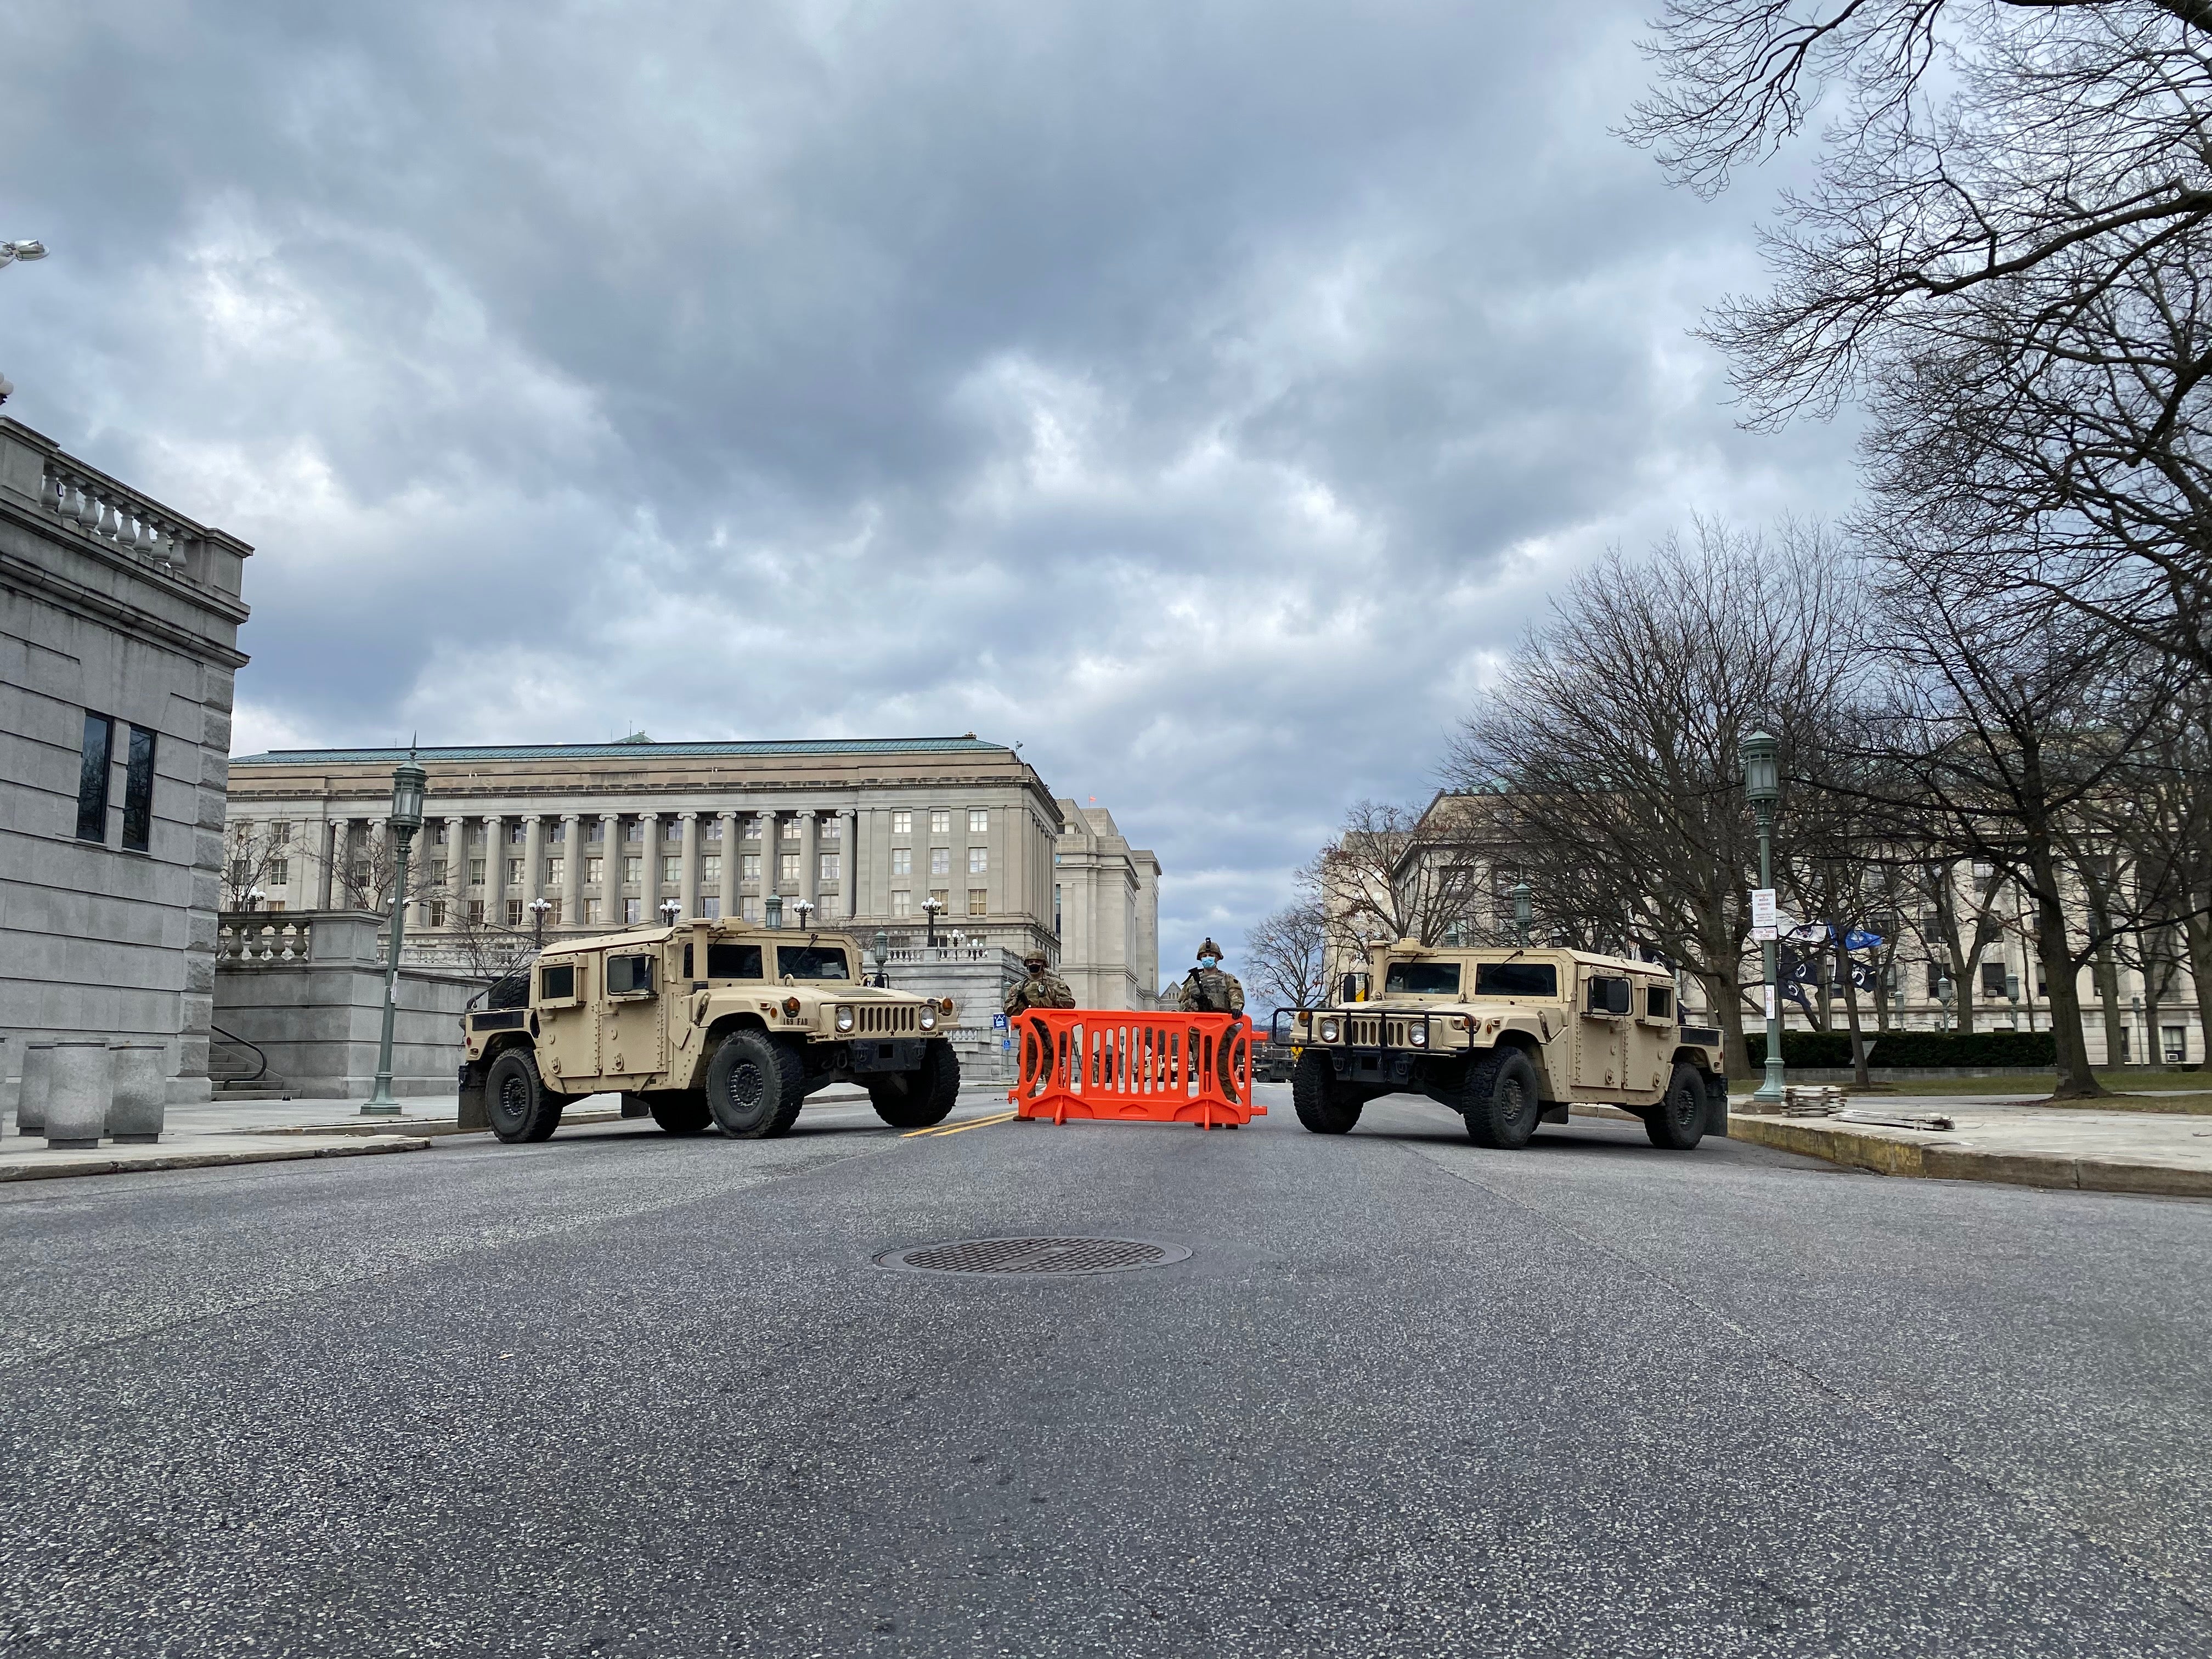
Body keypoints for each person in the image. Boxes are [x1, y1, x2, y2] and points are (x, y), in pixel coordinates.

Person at [1176, 939, 1245, 1015]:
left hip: (1223, 1021)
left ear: (1217, 958)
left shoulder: (1228, 979)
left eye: (1211, 956)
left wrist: (1236, 1008)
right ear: (1201, 959)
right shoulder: (1191, 983)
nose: (1207, 958)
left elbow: (1237, 998)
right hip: (1196, 1022)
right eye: (1204, 956)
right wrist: (1193, 1003)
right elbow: (1182, 1006)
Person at [1005, 950, 1075, 1015]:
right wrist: (1018, 1001)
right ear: (1027, 965)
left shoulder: (1055, 984)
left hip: (1052, 1026)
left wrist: (1055, 998)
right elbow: (1007, 1011)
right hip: (1028, 1026)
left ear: (1043, 964)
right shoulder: (1018, 988)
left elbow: (1071, 1005)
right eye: (1031, 962)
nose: (1034, 964)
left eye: (1037, 962)